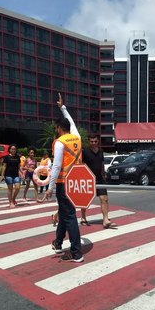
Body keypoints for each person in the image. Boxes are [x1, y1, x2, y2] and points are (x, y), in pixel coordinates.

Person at [45, 93, 83, 263]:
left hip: (63, 182)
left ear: (59, 129)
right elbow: (72, 123)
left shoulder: (60, 142)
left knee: (69, 216)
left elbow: (57, 166)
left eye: (56, 129)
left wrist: (50, 187)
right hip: (76, 181)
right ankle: (58, 243)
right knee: (64, 212)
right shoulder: (77, 138)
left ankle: (76, 253)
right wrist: (63, 108)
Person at [80, 134, 115, 228]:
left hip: (100, 179)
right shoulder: (85, 152)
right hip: (88, 180)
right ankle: (83, 218)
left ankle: (105, 220)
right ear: (89, 141)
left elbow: (102, 164)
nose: (93, 143)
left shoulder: (100, 151)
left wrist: (104, 177)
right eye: (91, 141)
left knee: (104, 199)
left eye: (95, 141)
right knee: (85, 200)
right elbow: (81, 166)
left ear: (98, 141)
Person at [1, 144, 21, 208]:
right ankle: (11, 202)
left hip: (16, 175)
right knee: (10, 189)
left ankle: (13, 199)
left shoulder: (17, 157)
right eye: (12, 149)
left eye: (14, 149)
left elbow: (19, 166)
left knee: (17, 187)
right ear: (9, 150)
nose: (13, 150)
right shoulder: (6, 157)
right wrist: (2, 175)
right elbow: (4, 166)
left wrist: (22, 172)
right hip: (8, 175)